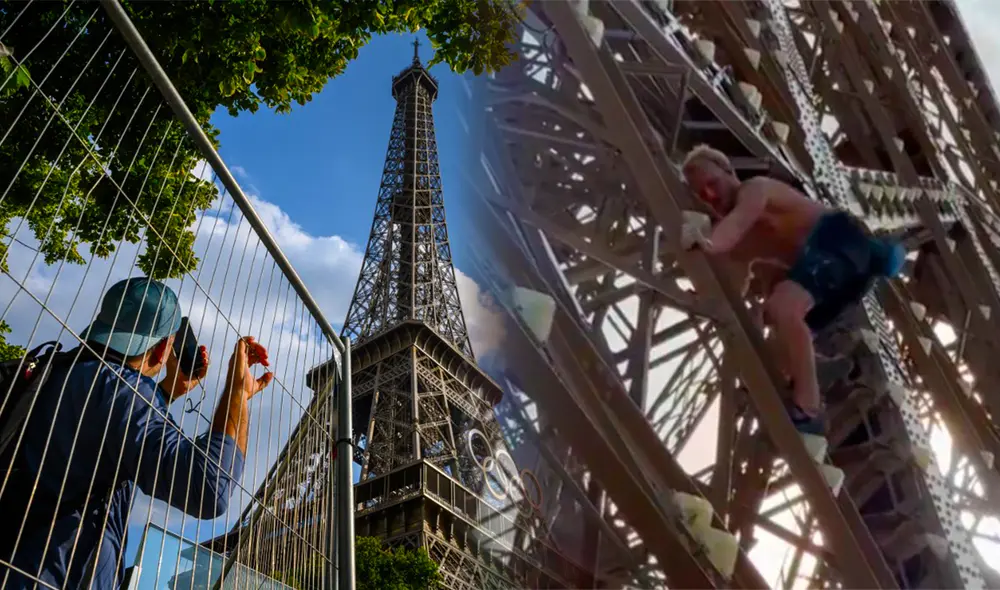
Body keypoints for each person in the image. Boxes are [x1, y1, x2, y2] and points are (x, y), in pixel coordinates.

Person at [0, 277, 274, 589]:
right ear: (161, 349)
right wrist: (236, 392)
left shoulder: (59, 370)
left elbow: (104, 427)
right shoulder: (125, 390)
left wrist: (168, 392)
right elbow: (211, 490)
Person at [682, 145, 904, 435]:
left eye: (712, 183)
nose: (710, 196)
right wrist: (707, 301)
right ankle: (817, 372)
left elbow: (736, 225)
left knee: (783, 307)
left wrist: (708, 243)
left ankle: (809, 409)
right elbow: (734, 284)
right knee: (775, 329)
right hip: (835, 279)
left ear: (729, 170)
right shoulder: (743, 242)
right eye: (702, 194)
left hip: (838, 241)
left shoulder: (756, 189)